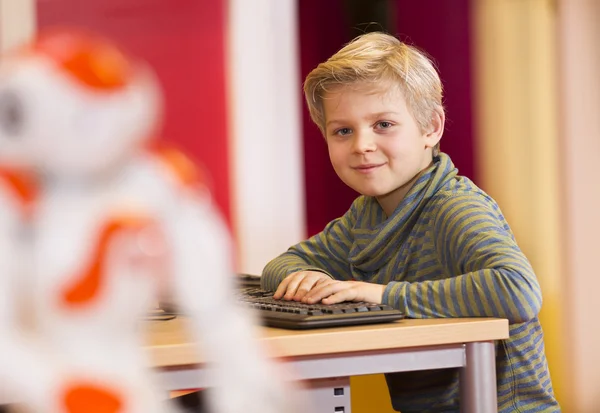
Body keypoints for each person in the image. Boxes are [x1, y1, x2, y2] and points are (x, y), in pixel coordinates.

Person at [261, 31, 560, 412]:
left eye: (383, 124)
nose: (361, 145)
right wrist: (308, 279)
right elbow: (280, 266)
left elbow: (517, 290)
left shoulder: (454, 207)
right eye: (343, 131)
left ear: (431, 127)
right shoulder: (366, 217)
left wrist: (382, 295)